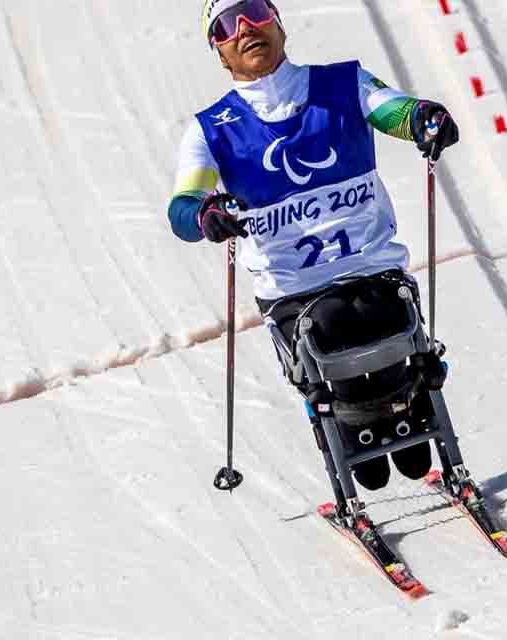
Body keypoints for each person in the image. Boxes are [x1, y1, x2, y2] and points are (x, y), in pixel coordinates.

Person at [168, 0, 460, 491]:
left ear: (279, 25)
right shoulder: (210, 129)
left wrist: (425, 119)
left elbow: (394, 110)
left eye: (255, 12)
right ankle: (356, 427)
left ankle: (401, 416)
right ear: (220, 53)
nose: (245, 28)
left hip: (374, 271)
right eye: (226, 25)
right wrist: (205, 213)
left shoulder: (344, 84)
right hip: (296, 292)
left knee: (381, 315)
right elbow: (182, 206)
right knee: (331, 326)